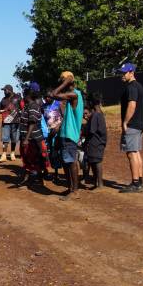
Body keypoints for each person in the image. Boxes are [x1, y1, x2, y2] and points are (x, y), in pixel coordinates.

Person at [50, 71, 84, 200]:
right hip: (65, 134)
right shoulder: (70, 96)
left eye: (62, 81)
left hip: (70, 135)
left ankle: (75, 191)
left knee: (71, 162)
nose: (61, 84)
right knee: (66, 162)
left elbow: (54, 94)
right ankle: (70, 188)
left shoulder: (75, 95)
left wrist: (67, 81)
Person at [118, 62, 143, 193]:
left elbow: (132, 105)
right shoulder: (138, 86)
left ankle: (135, 183)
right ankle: (139, 181)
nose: (121, 75)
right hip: (139, 124)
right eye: (121, 72)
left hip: (133, 125)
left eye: (124, 73)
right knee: (136, 152)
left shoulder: (132, 87)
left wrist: (125, 122)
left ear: (131, 73)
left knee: (131, 153)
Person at [19, 89, 48, 184]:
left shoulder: (33, 106)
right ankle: (29, 179)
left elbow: (32, 122)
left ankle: (39, 180)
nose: (23, 97)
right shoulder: (28, 106)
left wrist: (26, 139)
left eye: (24, 95)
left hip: (33, 139)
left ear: (28, 96)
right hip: (28, 138)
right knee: (28, 159)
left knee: (36, 159)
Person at [83, 97, 107, 190]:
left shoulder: (95, 115)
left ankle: (100, 184)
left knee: (97, 161)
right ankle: (97, 182)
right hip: (97, 141)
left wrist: (84, 132)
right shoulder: (98, 114)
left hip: (96, 142)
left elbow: (91, 130)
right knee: (94, 161)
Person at [0, 85, 21, 162]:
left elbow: (22, 108)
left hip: (16, 121)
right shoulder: (3, 99)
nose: (4, 92)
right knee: (5, 138)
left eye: (5, 90)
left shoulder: (18, 97)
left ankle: (12, 153)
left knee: (14, 138)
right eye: (4, 90)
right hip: (6, 121)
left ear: (9, 90)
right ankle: (4, 154)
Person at [42, 93, 63, 181]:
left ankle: (56, 173)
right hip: (47, 132)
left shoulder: (58, 104)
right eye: (45, 96)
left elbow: (64, 117)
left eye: (49, 96)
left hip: (57, 132)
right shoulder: (43, 106)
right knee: (47, 151)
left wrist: (58, 127)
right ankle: (45, 171)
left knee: (55, 152)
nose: (47, 98)